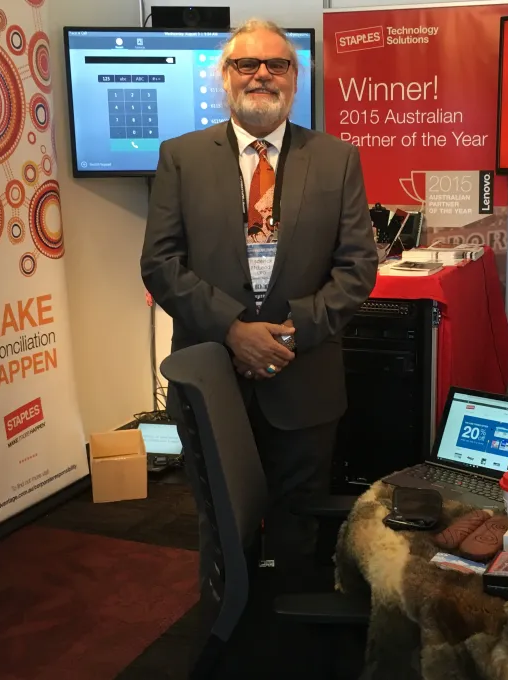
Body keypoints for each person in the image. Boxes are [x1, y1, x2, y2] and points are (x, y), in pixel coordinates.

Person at [140, 18, 378, 604]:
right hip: (213, 376)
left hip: (305, 378)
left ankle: (292, 639)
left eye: (277, 64)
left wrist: (287, 336)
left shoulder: (337, 159)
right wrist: (233, 331)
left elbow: (357, 269)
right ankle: (227, 626)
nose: (262, 75)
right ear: (225, 77)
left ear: (296, 79)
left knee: (300, 523)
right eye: (248, 64)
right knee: (219, 519)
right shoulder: (181, 157)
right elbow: (161, 263)